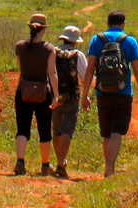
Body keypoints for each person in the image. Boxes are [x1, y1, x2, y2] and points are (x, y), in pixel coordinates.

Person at [82, 10, 138, 178]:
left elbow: (90, 69)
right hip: (123, 91)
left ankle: (108, 167)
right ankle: (110, 169)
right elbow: (137, 70)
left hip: (102, 91)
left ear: (108, 23)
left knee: (106, 133)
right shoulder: (129, 41)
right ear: (123, 23)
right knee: (117, 131)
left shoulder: (97, 40)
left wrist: (85, 94)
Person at [12, 11, 57, 176]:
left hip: (23, 90)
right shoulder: (49, 49)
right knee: (45, 130)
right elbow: (52, 73)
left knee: (22, 129)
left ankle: (20, 162)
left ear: (30, 27)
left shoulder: (20, 47)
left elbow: (21, 70)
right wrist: (57, 94)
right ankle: (45, 165)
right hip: (43, 93)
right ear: (43, 29)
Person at [49, 24, 88, 179]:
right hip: (72, 96)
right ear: (75, 41)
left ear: (63, 38)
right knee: (67, 130)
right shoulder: (78, 55)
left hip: (55, 95)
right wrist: (86, 95)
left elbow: (49, 73)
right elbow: (85, 77)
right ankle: (60, 164)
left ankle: (60, 162)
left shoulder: (53, 52)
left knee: (56, 129)